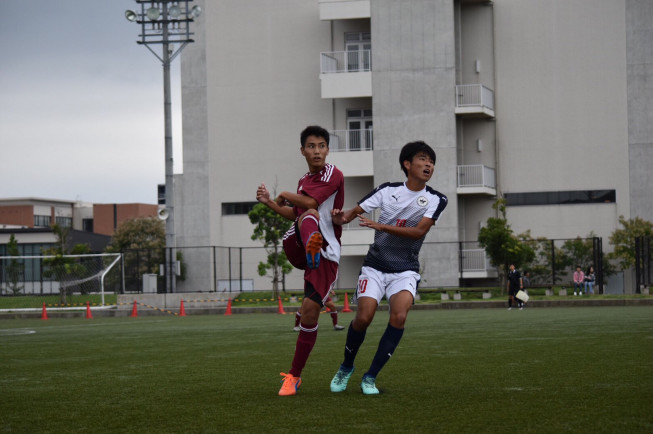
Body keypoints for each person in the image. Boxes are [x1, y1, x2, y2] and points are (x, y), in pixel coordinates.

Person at [328, 141, 448, 395]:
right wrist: (339, 217)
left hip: (405, 269)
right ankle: (346, 367)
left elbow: (417, 233)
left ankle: (370, 377)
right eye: (423, 159)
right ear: (407, 164)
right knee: (363, 317)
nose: (429, 165)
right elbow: (351, 214)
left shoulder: (437, 199)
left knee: (399, 316)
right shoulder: (387, 191)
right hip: (375, 266)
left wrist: (382, 227)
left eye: (432, 162)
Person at [256, 125, 345, 396]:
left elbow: (310, 204)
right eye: (311, 146)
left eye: (321, 145)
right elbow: (294, 211)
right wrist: (271, 201)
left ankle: (293, 377)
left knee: (309, 311)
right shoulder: (303, 181)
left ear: (327, 149)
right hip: (300, 243)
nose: (316, 151)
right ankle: (310, 248)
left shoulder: (334, 174)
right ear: (302, 150)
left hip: (326, 254)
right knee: (305, 217)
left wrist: (285, 194)